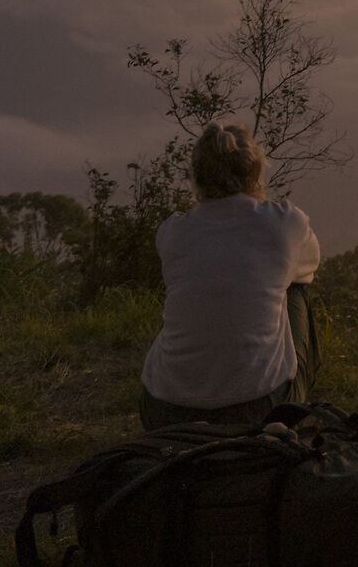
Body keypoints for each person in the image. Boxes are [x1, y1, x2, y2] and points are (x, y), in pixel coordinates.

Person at [138, 121, 323, 430]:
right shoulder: (285, 223)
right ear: (255, 172)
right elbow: (308, 268)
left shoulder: (172, 232)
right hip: (259, 411)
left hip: (164, 410)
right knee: (295, 287)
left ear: (195, 177)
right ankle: (293, 417)